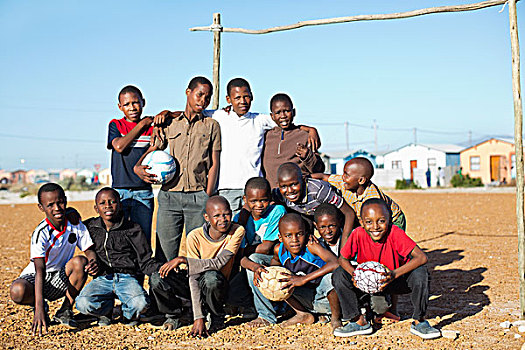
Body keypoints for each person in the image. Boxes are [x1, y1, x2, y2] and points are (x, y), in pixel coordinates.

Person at [204, 78, 321, 216]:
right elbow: (194, 113)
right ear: (228, 99)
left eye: (246, 96)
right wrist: (172, 114)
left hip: (256, 187)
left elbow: (284, 121)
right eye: (237, 98)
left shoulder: (260, 120)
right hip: (227, 187)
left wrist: (310, 129)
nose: (243, 101)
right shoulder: (219, 116)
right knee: (233, 229)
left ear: (252, 96)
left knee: (255, 230)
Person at [135, 76, 221, 262]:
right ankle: (165, 291)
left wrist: (208, 194)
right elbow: (153, 149)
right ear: (188, 92)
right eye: (199, 95)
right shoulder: (169, 123)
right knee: (164, 255)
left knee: (197, 254)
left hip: (198, 197)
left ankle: (193, 292)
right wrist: (137, 166)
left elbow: (214, 162)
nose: (203, 101)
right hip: (169, 197)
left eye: (207, 97)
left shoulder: (212, 125)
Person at [332, 198, 441, 339]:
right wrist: (355, 275)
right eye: (369, 222)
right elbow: (342, 259)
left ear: (389, 220)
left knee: (421, 273)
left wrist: (394, 274)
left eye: (381, 221)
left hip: (394, 280)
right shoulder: (358, 233)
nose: (375, 226)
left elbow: (421, 257)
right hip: (368, 282)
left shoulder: (394, 233)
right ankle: (358, 321)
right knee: (339, 274)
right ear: (361, 222)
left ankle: (419, 322)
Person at [9, 183, 97, 336]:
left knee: (81, 262)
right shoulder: (41, 233)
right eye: (50, 205)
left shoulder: (75, 224)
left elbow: (88, 250)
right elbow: (39, 270)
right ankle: (42, 305)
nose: (57, 208)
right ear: (41, 207)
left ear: (66, 200)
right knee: (17, 291)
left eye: (60, 202)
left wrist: (93, 261)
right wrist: (38, 307)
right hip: (37, 277)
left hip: (60, 276)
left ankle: (65, 310)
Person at [149, 196, 245, 336]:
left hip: (219, 285)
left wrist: (184, 260)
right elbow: (193, 276)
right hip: (197, 282)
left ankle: (216, 316)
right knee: (157, 278)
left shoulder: (237, 231)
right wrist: (198, 317)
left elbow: (218, 264)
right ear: (206, 217)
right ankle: (175, 315)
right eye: (216, 216)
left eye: (226, 214)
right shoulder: (195, 236)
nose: (223, 219)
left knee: (211, 277)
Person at [75, 188, 163, 326]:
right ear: (96, 208)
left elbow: (145, 259)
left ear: (120, 205)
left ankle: (127, 314)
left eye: (112, 202)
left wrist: (162, 269)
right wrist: (70, 214)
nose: (108, 206)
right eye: (102, 203)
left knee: (140, 303)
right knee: (82, 304)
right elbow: (73, 228)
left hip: (127, 278)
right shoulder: (90, 227)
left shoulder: (133, 229)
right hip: (103, 279)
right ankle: (105, 312)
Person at [242, 213, 341, 330]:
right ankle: (300, 314)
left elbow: (336, 263)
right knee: (260, 266)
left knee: (330, 278)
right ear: (280, 237)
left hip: (325, 299)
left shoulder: (311, 246)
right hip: (305, 300)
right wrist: (265, 277)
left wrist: (304, 279)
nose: (294, 240)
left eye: (299, 234)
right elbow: (244, 261)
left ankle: (336, 319)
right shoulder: (279, 250)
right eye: (288, 235)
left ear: (306, 234)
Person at [229, 177, 286, 313]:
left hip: (275, 259)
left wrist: (244, 251)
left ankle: (266, 314)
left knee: (254, 260)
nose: (259, 205)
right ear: (245, 200)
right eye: (253, 201)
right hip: (249, 261)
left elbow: (267, 248)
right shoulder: (238, 218)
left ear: (270, 198)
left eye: (263, 200)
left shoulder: (277, 211)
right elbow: (238, 254)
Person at [108, 85, 155, 242]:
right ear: (120, 107)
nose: (132, 107)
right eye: (126, 104)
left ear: (143, 102)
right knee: (120, 238)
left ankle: (142, 267)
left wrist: (163, 114)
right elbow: (119, 146)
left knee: (143, 238)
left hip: (143, 192)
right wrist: (141, 125)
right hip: (120, 192)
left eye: (135, 102)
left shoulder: (152, 128)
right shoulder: (116, 125)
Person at [273, 162, 357, 249]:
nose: (290, 190)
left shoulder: (319, 191)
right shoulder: (279, 194)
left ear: (303, 180)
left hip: (336, 222)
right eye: (283, 186)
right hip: (313, 221)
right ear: (278, 185)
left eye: (294, 184)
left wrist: (344, 241)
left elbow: (349, 213)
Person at [312, 157, 406, 231]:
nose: (343, 178)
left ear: (361, 180)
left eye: (347, 175)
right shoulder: (344, 182)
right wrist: (306, 177)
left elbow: (377, 222)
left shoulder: (372, 198)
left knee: (390, 243)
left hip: (391, 220)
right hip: (363, 219)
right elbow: (323, 176)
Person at [262, 93, 325, 188]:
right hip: (273, 196)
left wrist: (308, 156)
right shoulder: (266, 136)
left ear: (294, 112)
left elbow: (319, 169)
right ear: (272, 116)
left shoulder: (304, 136)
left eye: (287, 111)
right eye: (278, 112)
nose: (283, 115)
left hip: (298, 195)